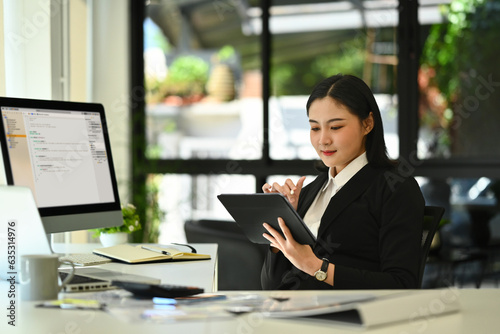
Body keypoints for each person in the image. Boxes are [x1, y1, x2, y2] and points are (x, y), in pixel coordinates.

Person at [261, 74, 424, 290]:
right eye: (315, 128)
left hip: (350, 318)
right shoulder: (310, 193)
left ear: (367, 124)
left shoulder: (395, 188)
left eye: (335, 127)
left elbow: (402, 284)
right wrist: (285, 224)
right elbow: (270, 286)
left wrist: (316, 267)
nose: (323, 140)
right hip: (294, 315)